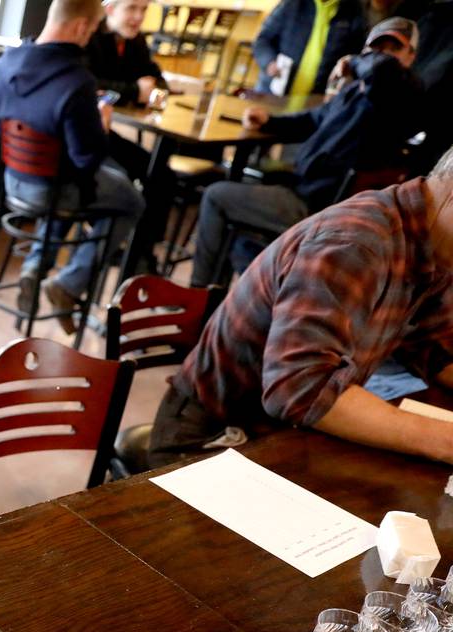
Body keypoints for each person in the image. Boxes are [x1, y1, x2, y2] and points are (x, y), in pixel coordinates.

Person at [148, 145, 453, 468]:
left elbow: (434, 348)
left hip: (281, 432)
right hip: (211, 434)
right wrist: (444, 441)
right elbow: (300, 390)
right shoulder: (355, 242)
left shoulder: (433, 246)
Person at [189, 17, 423, 287]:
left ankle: (198, 296)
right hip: (305, 189)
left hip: (320, 206)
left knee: (216, 197)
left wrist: (351, 62)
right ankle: (234, 297)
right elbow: (313, 119)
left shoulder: (405, 92)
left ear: (411, 56)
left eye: (394, 48)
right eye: (377, 47)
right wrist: (269, 121)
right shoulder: (357, 92)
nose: (384, 55)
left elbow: (383, 71)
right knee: (240, 233)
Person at [0, 0, 146, 325]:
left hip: (13, 181)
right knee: (130, 199)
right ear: (81, 27)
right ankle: (69, 283)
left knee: (71, 181)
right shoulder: (76, 82)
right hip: (53, 189)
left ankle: (36, 265)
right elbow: (88, 158)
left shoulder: (4, 63)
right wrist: (102, 126)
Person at [85, 0, 174, 272]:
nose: (138, 17)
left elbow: (160, 82)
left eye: (144, 10)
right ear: (111, 9)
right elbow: (91, 84)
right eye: (132, 9)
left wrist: (150, 90)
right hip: (86, 136)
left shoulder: (136, 42)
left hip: (110, 132)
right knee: (125, 180)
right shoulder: (91, 37)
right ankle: (111, 247)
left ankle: (141, 253)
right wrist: (135, 91)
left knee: (161, 175)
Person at [253, 0, 366, 96]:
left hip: (315, 104)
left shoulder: (354, 12)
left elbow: (355, 58)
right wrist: (269, 63)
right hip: (272, 94)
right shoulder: (292, 3)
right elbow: (263, 40)